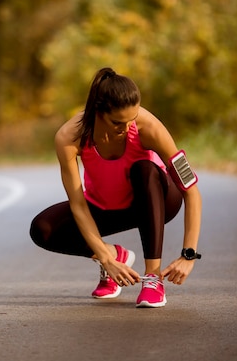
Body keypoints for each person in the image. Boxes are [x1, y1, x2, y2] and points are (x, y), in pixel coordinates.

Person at [29, 67, 202, 308]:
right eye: (118, 122)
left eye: (132, 119)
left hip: (157, 199)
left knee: (145, 169)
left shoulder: (149, 127)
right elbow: (78, 204)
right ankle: (115, 256)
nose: (127, 127)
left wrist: (189, 255)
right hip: (106, 205)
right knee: (43, 228)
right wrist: (104, 256)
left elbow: (191, 191)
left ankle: (152, 278)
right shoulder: (69, 137)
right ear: (98, 111)